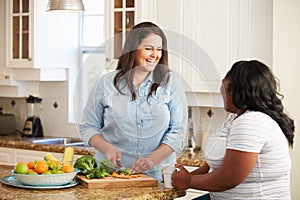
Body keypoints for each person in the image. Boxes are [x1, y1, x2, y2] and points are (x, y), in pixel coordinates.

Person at [79, 22, 187, 181]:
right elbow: (88, 127)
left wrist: (152, 160)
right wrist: (107, 148)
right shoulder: (106, 83)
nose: (155, 54)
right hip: (111, 175)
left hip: (157, 175)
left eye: (159, 49)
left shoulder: (170, 82)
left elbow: (178, 132)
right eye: (148, 48)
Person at [172, 60, 295, 199]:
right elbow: (212, 167)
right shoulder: (235, 118)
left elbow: (230, 177)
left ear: (237, 89)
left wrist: (188, 181)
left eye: (224, 87)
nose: (222, 92)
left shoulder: (252, 122)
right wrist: (182, 177)